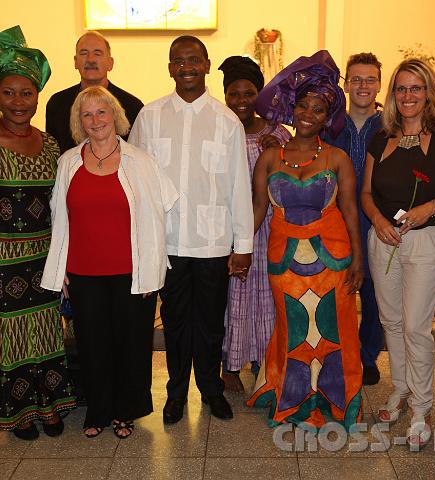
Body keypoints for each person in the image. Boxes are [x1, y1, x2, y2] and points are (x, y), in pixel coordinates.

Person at [0, 25, 76, 440]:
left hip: (43, 258)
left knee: (45, 331)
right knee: (10, 337)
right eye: (9, 93)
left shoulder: (51, 145)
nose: (18, 102)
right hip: (2, 262)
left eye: (26, 93)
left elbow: (62, 209)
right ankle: (19, 412)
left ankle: (50, 404)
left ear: (37, 95)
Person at [128, 36, 253, 424]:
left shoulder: (226, 120)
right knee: (177, 323)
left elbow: (238, 186)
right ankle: (176, 393)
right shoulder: (150, 117)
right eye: (178, 61)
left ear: (206, 64)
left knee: (212, 324)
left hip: (213, 243)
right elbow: (134, 175)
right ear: (169, 68)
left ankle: (212, 390)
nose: (186, 67)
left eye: (193, 60)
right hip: (167, 242)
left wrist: (243, 244)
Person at [41, 86, 177, 439]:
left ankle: (126, 411)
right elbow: (59, 215)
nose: (95, 120)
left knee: (131, 344)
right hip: (84, 272)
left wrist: (153, 270)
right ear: (79, 122)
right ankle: (98, 411)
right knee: (92, 345)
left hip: (132, 272)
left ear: (115, 116)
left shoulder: (141, 160)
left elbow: (160, 214)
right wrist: (62, 266)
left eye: (102, 112)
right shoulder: (68, 161)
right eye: (87, 114)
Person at [247, 50, 364, 430]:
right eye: (303, 106)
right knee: (293, 328)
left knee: (334, 332)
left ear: (327, 117)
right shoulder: (270, 157)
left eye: (317, 109)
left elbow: (349, 213)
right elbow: (258, 210)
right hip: (284, 261)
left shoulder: (337, 158)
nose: (308, 114)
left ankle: (334, 400)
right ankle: (293, 397)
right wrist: (238, 249)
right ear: (292, 109)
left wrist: (358, 262)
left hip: (333, 260)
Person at [360, 58, 435, 448]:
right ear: (393, 95)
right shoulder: (380, 137)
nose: (408, 96)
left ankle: (422, 407)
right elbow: (366, 193)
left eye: (416, 88)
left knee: (416, 326)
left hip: (427, 240)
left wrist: (430, 208)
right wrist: (376, 220)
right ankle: (401, 390)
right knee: (391, 321)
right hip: (383, 237)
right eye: (401, 88)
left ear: (428, 94)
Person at [217, 55, 292, 393]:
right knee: (235, 297)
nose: (242, 101)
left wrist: (279, 154)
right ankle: (230, 365)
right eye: (234, 94)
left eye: (249, 93)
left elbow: (297, 176)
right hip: (230, 230)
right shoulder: (218, 130)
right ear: (225, 95)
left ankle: (267, 359)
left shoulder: (278, 133)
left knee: (269, 296)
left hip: (271, 229)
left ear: (260, 95)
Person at [321, 52, 384, 386]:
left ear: (379, 84)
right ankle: (337, 354)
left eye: (369, 79)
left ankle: (368, 355)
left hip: (377, 223)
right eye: (356, 79)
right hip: (335, 222)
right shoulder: (331, 126)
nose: (363, 85)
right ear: (345, 84)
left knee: (375, 295)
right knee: (336, 292)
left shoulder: (391, 125)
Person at [46, 31, 143, 153]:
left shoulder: (132, 106)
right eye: (84, 53)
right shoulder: (57, 104)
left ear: (110, 63)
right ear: (75, 62)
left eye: (97, 54)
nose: (90, 59)